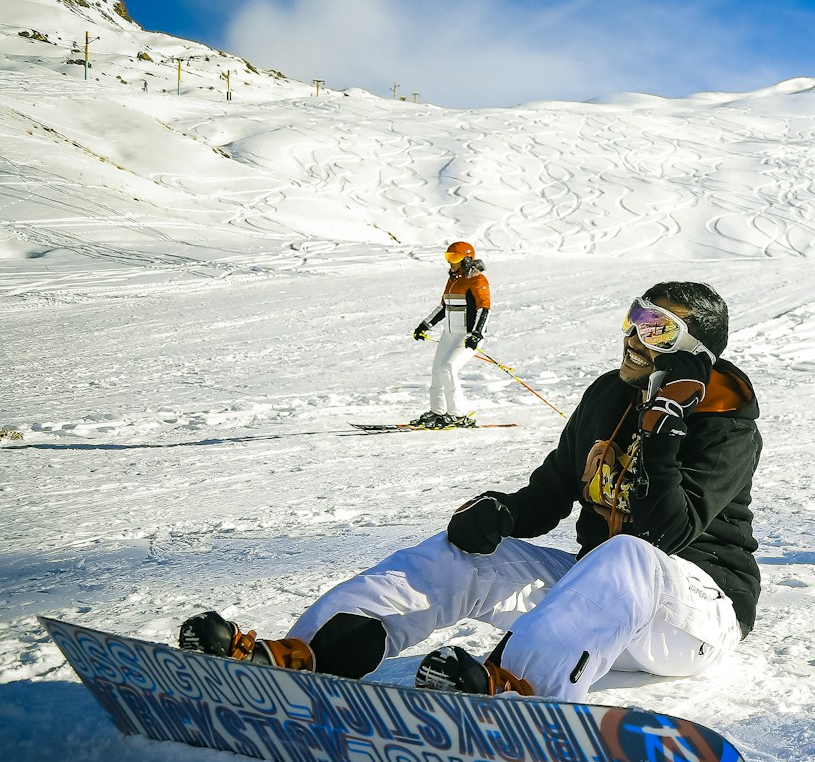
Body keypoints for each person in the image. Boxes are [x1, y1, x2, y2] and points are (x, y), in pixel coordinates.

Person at [180, 282, 761, 700]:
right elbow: (551, 493)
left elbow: (663, 535)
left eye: (656, 328)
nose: (633, 336)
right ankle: (305, 656)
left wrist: (664, 432)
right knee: (462, 556)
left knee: (627, 554)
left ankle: (520, 692)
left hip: (695, 617)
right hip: (599, 605)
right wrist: (502, 512)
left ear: (694, 353)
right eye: (634, 317)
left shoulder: (726, 425)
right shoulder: (609, 395)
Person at [410, 241, 492, 429]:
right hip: (449, 333)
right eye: (449, 257)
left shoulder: (478, 280)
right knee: (437, 370)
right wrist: (425, 325)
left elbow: (484, 309)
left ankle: (458, 415)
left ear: (467, 259)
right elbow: (443, 307)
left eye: (455, 258)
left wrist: (477, 334)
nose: (450, 262)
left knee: (448, 367)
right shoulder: (453, 280)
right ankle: (437, 412)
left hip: (467, 335)